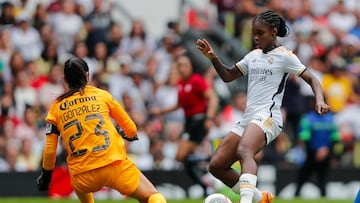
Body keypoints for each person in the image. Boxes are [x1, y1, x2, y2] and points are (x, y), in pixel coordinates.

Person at [196, 10, 330, 203]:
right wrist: (213, 58)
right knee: (216, 166)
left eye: (261, 33)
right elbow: (227, 76)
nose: (256, 37)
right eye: (254, 33)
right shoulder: (253, 56)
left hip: (269, 117)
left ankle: (246, 201)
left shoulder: (285, 56)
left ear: (273, 32)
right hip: (249, 117)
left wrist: (319, 99)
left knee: (244, 151)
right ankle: (261, 198)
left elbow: (312, 79)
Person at [36, 57, 167, 203]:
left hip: (82, 175)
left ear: (64, 79)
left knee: (82, 190)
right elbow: (131, 128)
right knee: (153, 197)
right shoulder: (102, 95)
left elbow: (50, 149)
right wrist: (128, 135)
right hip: (114, 165)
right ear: (87, 76)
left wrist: (46, 176)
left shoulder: (56, 107)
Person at [151, 54, 219, 196]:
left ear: (190, 67)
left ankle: (210, 159)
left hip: (199, 120)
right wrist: (161, 111)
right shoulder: (181, 83)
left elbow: (213, 98)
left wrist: (209, 118)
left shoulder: (197, 81)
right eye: (178, 65)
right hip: (188, 122)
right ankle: (206, 184)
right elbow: (179, 105)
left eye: (183, 65)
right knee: (186, 161)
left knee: (180, 156)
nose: (180, 68)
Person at [294, 96, 340, 197]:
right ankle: (296, 195)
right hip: (312, 154)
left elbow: (335, 137)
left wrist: (325, 150)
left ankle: (323, 196)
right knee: (303, 176)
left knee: (323, 178)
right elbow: (305, 138)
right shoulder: (308, 118)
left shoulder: (331, 118)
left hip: (325, 153)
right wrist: (318, 151)